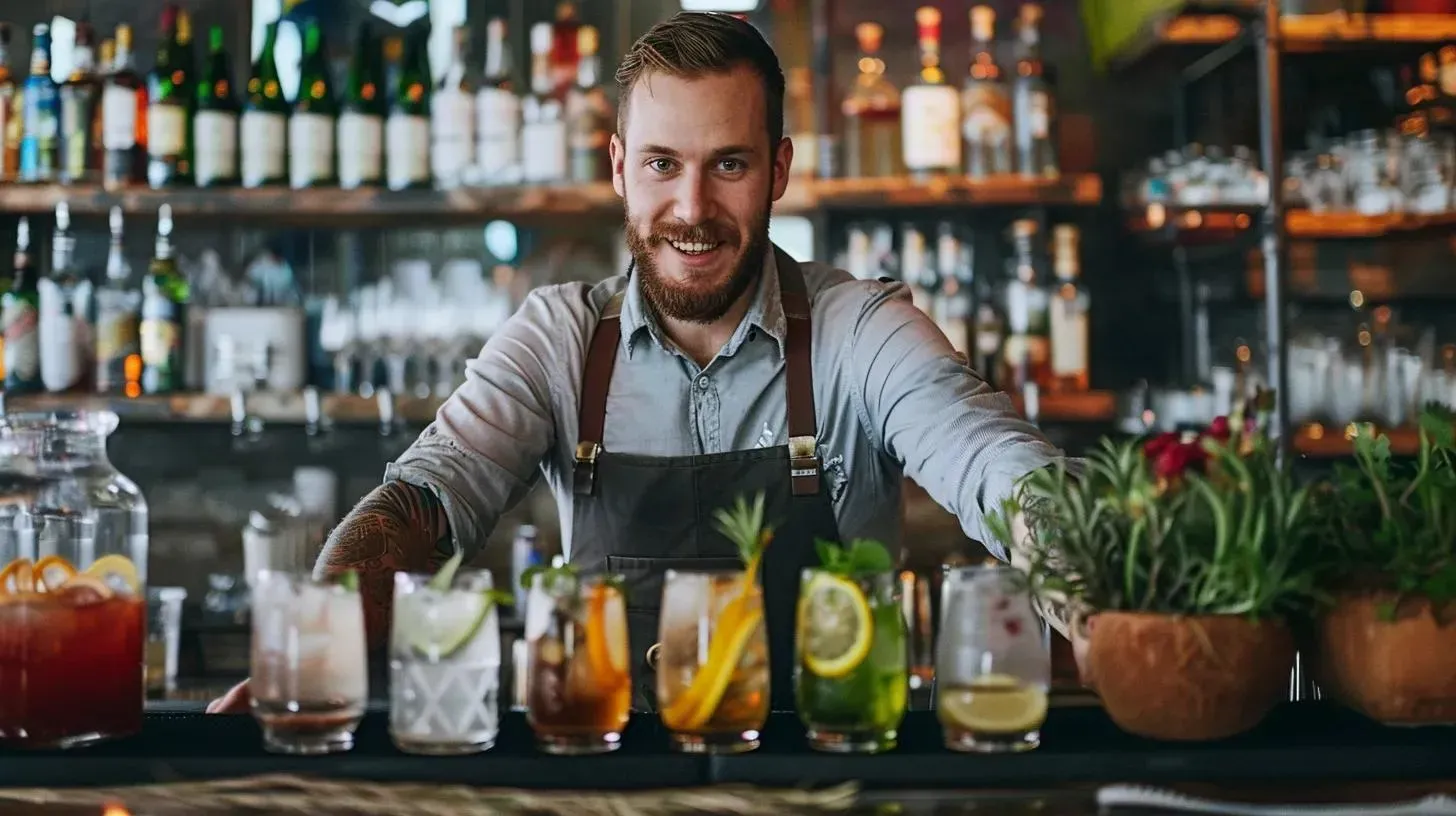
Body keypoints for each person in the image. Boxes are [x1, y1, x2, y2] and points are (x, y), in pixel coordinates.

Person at [210, 11, 1073, 715]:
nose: (691, 209)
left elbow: (990, 457)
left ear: (777, 170)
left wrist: (1088, 573)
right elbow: (422, 499)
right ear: (620, 168)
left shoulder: (860, 330)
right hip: (603, 776)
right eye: (662, 164)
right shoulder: (557, 338)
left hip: (824, 778)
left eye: (727, 165)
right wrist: (318, 642)